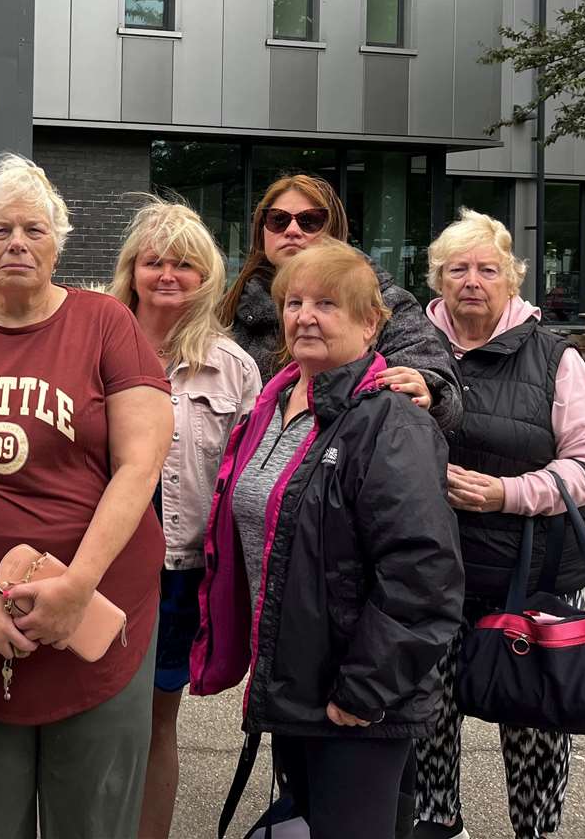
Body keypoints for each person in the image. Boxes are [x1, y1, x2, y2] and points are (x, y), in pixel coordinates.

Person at [0, 154, 174, 839]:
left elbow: (140, 466)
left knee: (91, 810)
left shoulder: (105, 323)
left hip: (97, 604)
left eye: (34, 230)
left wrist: (78, 585)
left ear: (58, 243)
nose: (17, 242)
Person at [191, 240, 464, 839]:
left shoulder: (389, 421)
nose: (304, 316)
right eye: (294, 302)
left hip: (357, 694)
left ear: (371, 323)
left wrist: (367, 689)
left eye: (328, 304)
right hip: (295, 681)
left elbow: (423, 573)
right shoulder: (274, 402)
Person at [412, 211, 585, 839]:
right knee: (428, 710)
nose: (472, 280)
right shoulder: (410, 350)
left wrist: (508, 493)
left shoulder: (552, 356)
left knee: (535, 713)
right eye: (457, 269)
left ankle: (534, 830)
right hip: (430, 569)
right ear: (436, 279)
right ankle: (437, 822)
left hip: (532, 571)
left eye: (488, 269)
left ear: (512, 279)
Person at [107, 197, 261, 839]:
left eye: (185, 265)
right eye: (153, 262)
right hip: (103, 564)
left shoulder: (234, 368)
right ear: (131, 270)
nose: (168, 275)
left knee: (155, 719)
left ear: (207, 278)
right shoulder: (95, 346)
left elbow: (250, 478)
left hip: (181, 572)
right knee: (94, 716)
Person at [221, 173, 463, 431]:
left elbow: (443, 397)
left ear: (334, 231)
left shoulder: (388, 302)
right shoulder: (231, 305)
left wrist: (425, 389)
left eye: (309, 221)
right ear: (262, 231)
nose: (292, 231)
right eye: (278, 220)